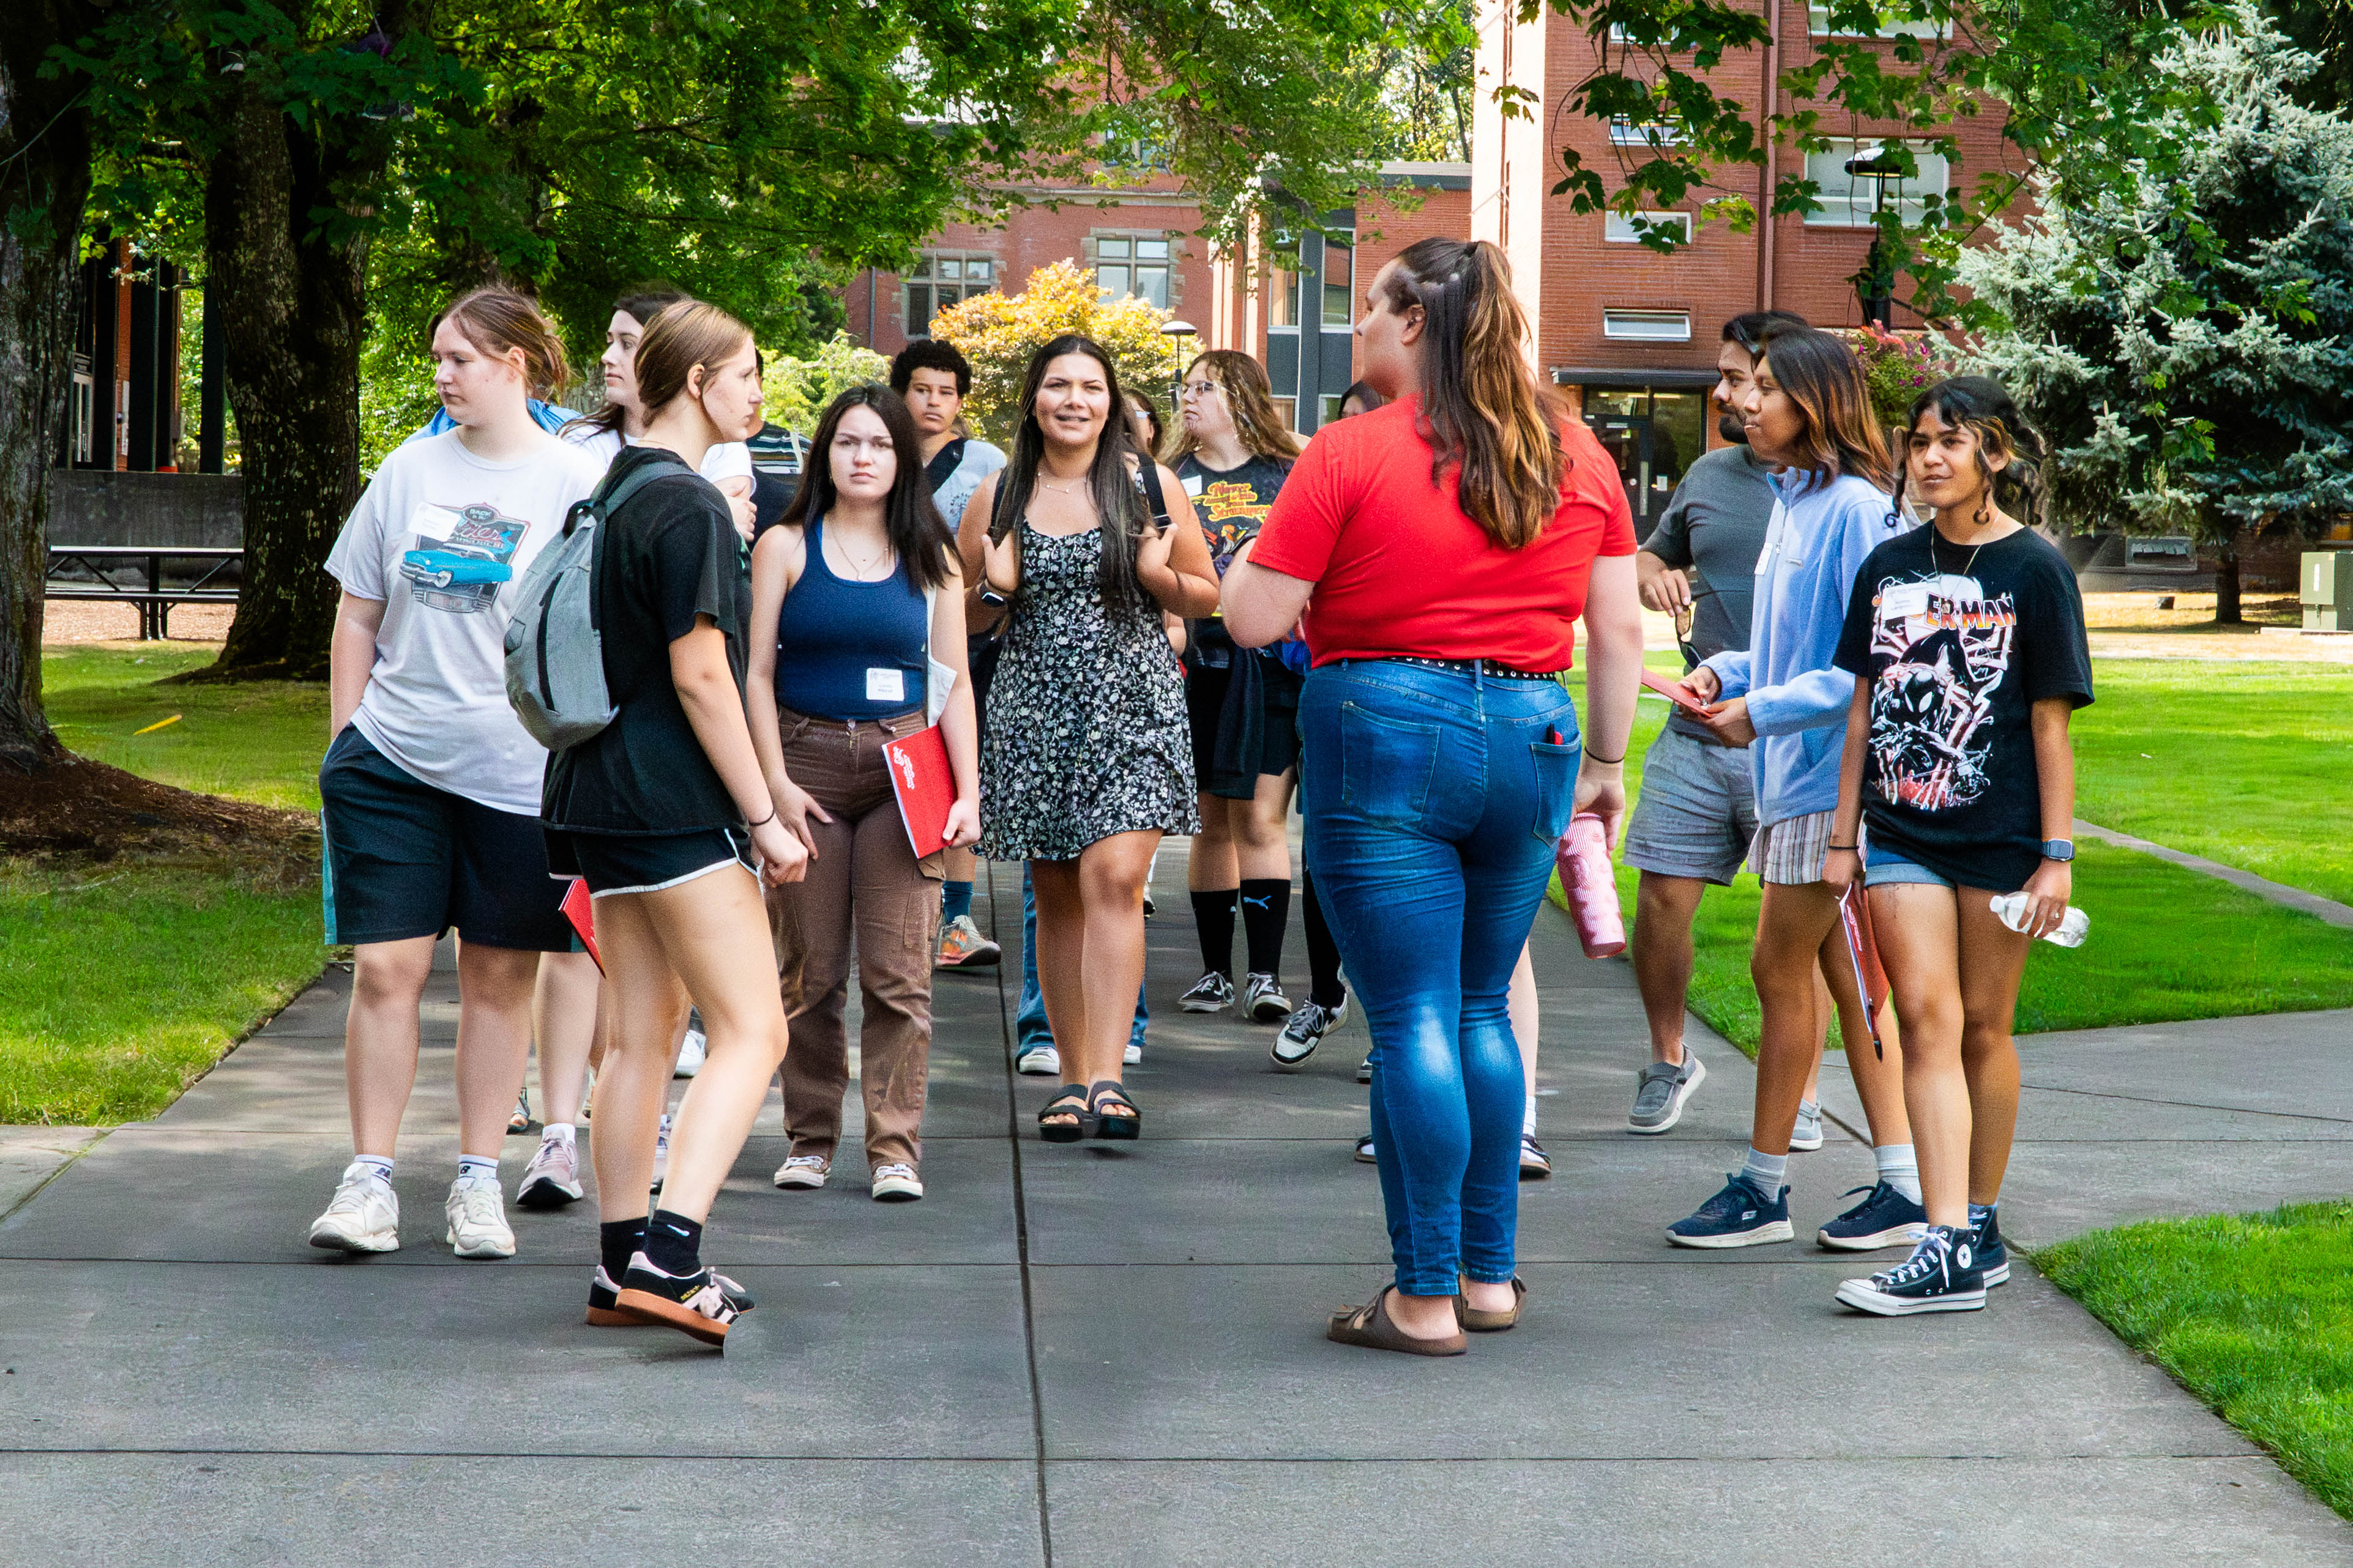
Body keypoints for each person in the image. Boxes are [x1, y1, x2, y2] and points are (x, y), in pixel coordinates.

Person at [1225, 237, 1643, 1353]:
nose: (1358, 324)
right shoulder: (1576, 450)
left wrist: (1255, 568)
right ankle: (1489, 1276)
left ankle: (1420, 1296)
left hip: (1384, 728)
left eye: (1369, 306)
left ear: (1414, 322)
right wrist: (1605, 764)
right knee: (1480, 1003)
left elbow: (1254, 618)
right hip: (1534, 729)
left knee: (1410, 1013)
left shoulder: (1349, 450)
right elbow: (1615, 629)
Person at [310, 288, 606, 1260]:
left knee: (497, 977)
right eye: (437, 356)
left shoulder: (575, 483)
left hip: (519, 778)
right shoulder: (408, 468)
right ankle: (370, 1181)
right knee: (389, 968)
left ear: (516, 363)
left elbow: (591, 638)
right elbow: (357, 611)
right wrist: (344, 744)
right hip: (393, 760)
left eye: (460, 359)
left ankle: (478, 1182)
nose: (442, 374)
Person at [540, 300, 807, 1346]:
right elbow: (704, 675)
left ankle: (617, 1263)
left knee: (642, 1034)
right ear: (697, 382)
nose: (755, 392)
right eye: (745, 372)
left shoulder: (609, 489)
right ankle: (672, 1252)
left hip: (595, 796)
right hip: (670, 801)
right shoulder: (691, 503)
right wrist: (766, 815)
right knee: (756, 1027)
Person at [1824, 377, 2089, 1315]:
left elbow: (2051, 725)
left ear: (1995, 455)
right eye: (1918, 441)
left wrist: (2054, 853)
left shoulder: (2035, 570)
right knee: (1927, 1018)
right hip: (1900, 834)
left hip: (2005, 837)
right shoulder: (1886, 567)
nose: (1929, 457)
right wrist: (1841, 835)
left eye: (1951, 441)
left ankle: (1977, 1221)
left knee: (1984, 1025)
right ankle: (1941, 1244)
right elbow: (1860, 711)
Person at [1663, 325, 1909, 1250]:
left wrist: (1760, 711)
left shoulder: (1853, 509)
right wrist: (1730, 671)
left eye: (1763, 386)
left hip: (1829, 784)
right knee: (1849, 984)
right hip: (1794, 779)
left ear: (1812, 401)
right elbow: (1795, 645)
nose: (1742, 399)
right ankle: (1904, 1183)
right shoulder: (1793, 504)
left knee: (1782, 966)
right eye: (1744, 385)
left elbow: (1867, 667)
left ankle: (1766, 1186)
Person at [958, 335, 1220, 1142]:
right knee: (1059, 888)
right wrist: (991, 585)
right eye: (1059, 385)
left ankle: (1108, 1075)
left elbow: (1208, 598)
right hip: (1036, 706)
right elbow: (959, 622)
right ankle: (1071, 1078)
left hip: (1134, 702)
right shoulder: (998, 493)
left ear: (1112, 400)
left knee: (1113, 875)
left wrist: (1154, 576)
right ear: (1033, 399)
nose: (1076, 399)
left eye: (1092, 387)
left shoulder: (1150, 483)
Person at [747, 386, 982, 1203]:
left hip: (904, 766)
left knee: (898, 972)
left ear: (901, 459)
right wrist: (772, 783)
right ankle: (810, 1139)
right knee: (809, 971)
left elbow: (950, 685)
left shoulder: (934, 557)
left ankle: (894, 1150)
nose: (862, 457)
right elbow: (755, 671)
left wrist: (968, 793)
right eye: (848, 442)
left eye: (879, 445)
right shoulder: (782, 545)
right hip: (804, 759)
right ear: (826, 453)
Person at [1165, 350, 1310, 1028]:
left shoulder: (1290, 474)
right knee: (1210, 820)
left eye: (1205, 388)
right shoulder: (1168, 479)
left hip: (1270, 665)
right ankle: (1215, 973)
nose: (1189, 399)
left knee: (1258, 817)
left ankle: (1264, 977)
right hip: (1195, 664)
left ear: (1244, 398)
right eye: (1185, 387)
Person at [892, 338, 1009, 970]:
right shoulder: (876, 450)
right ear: (900, 392)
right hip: (891, 632)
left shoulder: (987, 462)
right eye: (921, 389)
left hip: (967, 632)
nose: (934, 402)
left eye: (946, 392)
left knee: (966, 772)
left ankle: (955, 920)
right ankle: (909, 914)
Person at [1283, 381, 1384, 1068]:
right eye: (1339, 422)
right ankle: (1324, 993)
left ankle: (1391, 1029)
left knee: (1400, 876)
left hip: (1404, 702)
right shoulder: (1326, 475)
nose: (1346, 435)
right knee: (1324, 857)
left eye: (1361, 423)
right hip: (1328, 688)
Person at [565, 290, 758, 543]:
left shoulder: (724, 445)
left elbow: (726, 528)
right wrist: (713, 509)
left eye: (627, 343)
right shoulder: (582, 439)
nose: (607, 357)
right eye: (744, 376)